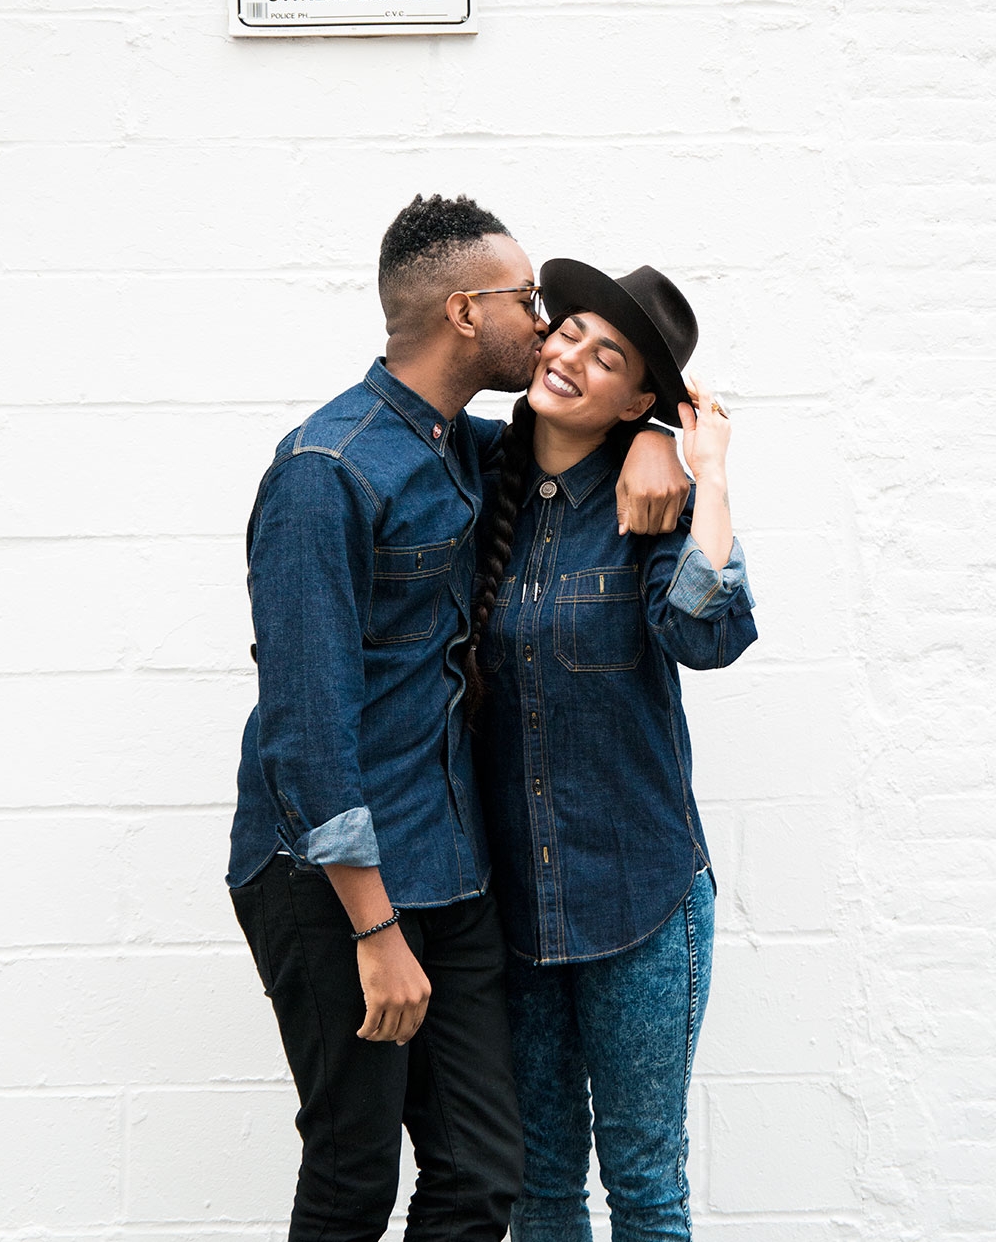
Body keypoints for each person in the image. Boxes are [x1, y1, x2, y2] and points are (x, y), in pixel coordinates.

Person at [227, 198, 692, 1242]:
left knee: (487, 1175)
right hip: (331, 880)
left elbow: (583, 429)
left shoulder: (461, 448)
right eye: (528, 301)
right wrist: (375, 928)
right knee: (354, 1178)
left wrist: (659, 435)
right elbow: (305, 731)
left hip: (449, 866)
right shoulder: (326, 471)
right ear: (462, 310)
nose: (545, 323)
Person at [469, 260, 759, 1242]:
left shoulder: (654, 504)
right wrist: (653, 436)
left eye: (611, 358)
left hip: (641, 899)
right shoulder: (470, 482)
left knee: (643, 1181)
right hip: (507, 909)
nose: (573, 359)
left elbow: (705, 636)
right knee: (539, 1182)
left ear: (637, 394)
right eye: (570, 333)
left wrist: (697, 464)